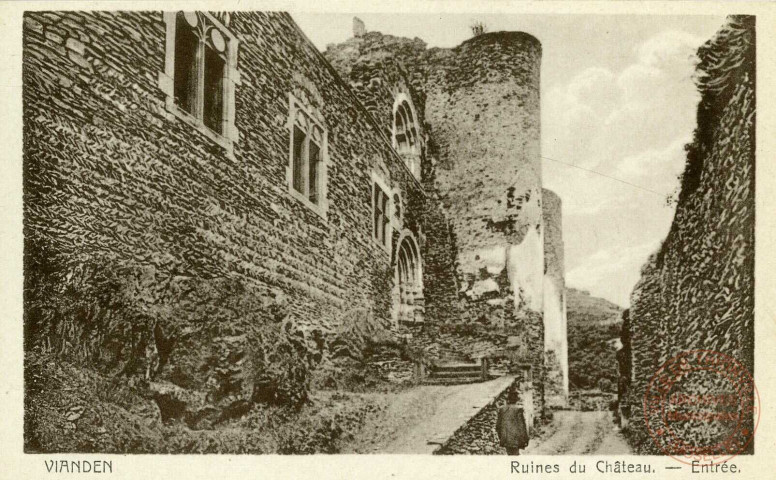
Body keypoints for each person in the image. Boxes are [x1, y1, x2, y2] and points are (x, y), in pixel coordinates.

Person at [496, 389, 529, 455]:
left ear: (508, 399)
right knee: (515, 455)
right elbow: (521, 426)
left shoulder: (502, 409)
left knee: (509, 454)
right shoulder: (518, 409)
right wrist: (525, 439)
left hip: (505, 438)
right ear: (516, 399)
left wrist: (501, 437)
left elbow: (498, 426)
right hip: (515, 439)